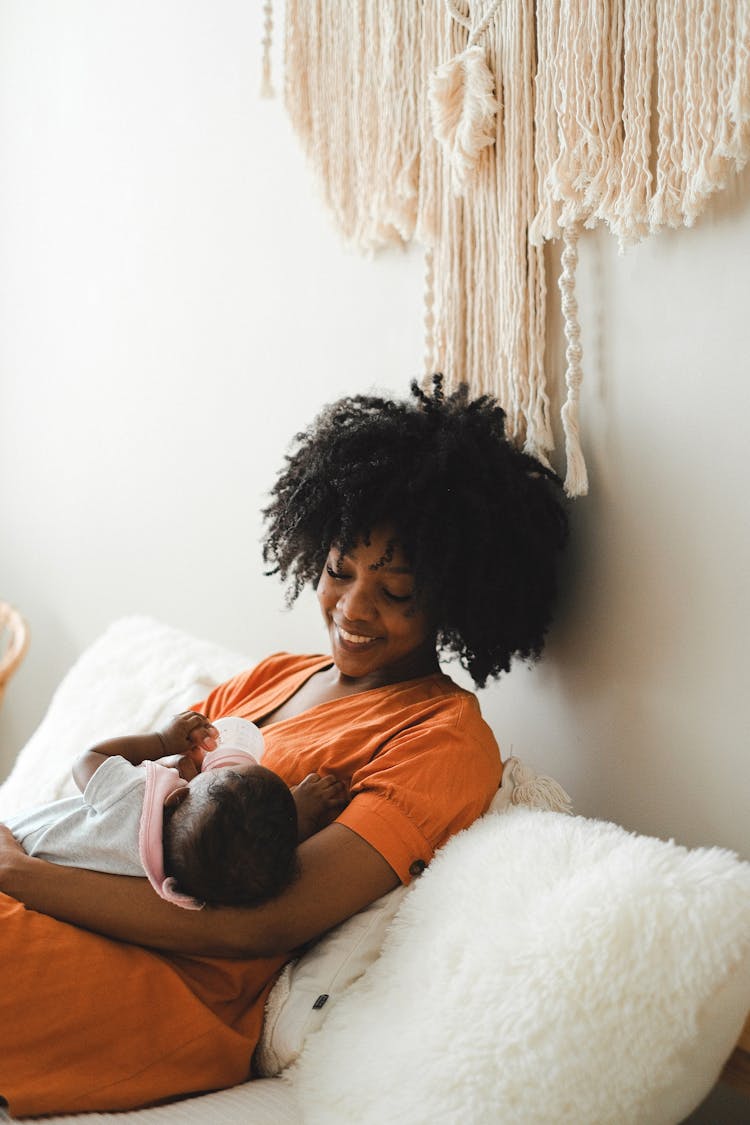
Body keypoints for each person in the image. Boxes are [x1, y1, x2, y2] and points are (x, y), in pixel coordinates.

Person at [0, 376, 568, 1116]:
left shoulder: (443, 738)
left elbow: (266, 922)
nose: (353, 608)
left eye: (395, 592)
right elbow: (135, 792)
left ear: (453, 598)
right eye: (339, 571)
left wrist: (19, 873)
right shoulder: (277, 675)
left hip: (177, 985)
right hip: (65, 899)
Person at [4, 711, 348, 909]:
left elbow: (88, 761)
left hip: (18, 839)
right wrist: (299, 817)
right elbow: (257, 850)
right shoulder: (187, 885)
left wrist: (161, 742)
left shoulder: (134, 798)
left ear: (176, 798)